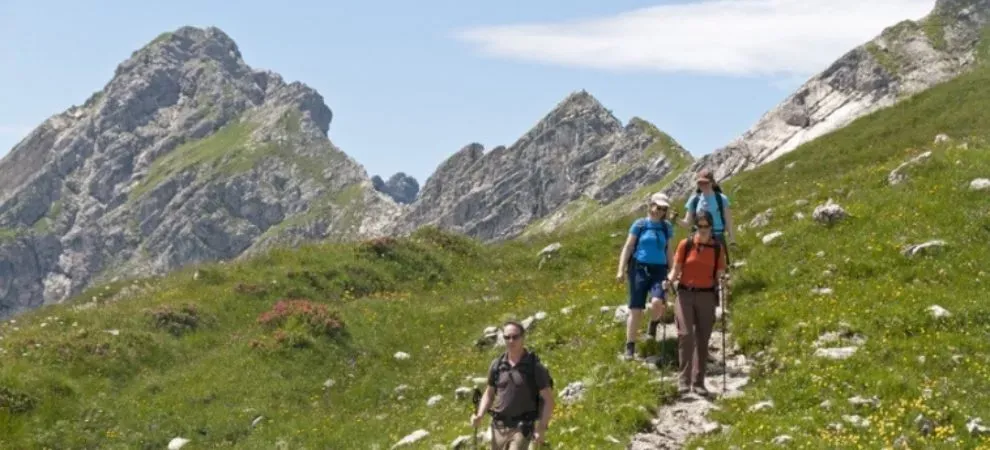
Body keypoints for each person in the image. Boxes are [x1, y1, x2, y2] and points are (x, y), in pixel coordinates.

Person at [664, 210, 728, 396]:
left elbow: (719, 272)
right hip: (685, 294)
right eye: (699, 226)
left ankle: (698, 382)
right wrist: (669, 281)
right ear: (695, 227)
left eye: (706, 227)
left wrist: (723, 280)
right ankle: (683, 380)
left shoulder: (717, 248)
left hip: (707, 295)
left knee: (703, 338)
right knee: (685, 334)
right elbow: (676, 269)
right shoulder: (687, 244)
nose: (703, 230)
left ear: (711, 227)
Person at [472, 321, 555, 449]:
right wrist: (480, 415)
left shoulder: (534, 367)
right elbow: (489, 394)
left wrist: (541, 427)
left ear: (523, 338)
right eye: (507, 337)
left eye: (515, 337)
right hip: (498, 427)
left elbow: (548, 400)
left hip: (522, 427)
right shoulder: (497, 365)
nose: (511, 340)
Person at [615, 192, 675, 360]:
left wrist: (673, 272)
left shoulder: (666, 227)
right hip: (638, 269)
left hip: (660, 270)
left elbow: (669, 250)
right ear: (650, 205)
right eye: (656, 206)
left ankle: (653, 325)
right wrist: (620, 270)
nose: (658, 210)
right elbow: (628, 247)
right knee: (636, 309)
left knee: (658, 302)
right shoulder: (640, 224)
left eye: (663, 209)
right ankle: (630, 346)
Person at [680, 168, 735, 250]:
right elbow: (687, 223)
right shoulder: (694, 200)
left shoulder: (721, 199)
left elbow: (729, 221)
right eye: (700, 183)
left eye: (706, 182)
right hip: (698, 237)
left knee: (719, 262)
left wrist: (732, 240)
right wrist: (675, 219)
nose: (703, 185)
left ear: (712, 182)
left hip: (717, 237)